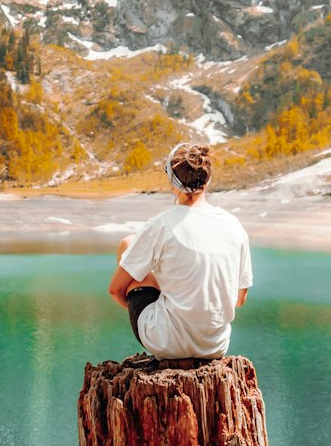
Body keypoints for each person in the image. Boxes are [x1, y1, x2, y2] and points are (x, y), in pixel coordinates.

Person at [108, 142, 252, 358]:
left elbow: (115, 290)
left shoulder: (161, 225)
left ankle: (162, 323)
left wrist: (155, 296)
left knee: (128, 243)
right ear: (207, 179)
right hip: (215, 347)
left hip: (165, 343)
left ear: (172, 181)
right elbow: (239, 300)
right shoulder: (234, 226)